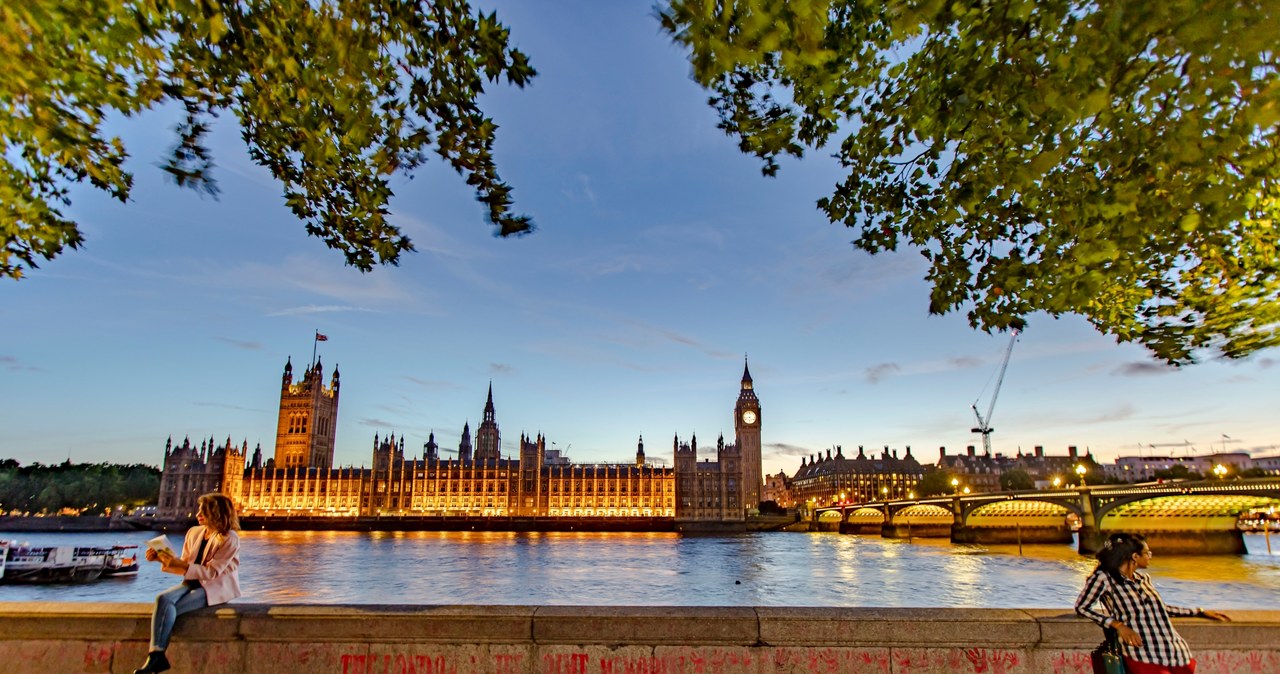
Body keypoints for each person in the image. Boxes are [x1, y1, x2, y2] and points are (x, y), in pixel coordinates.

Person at [1075, 532, 1230, 674]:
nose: (1150, 556)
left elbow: (1161, 610)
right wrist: (1118, 625)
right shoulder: (1104, 578)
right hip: (1144, 654)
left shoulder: (1144, 579)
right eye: (1147, 553)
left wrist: (1199, 611)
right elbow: (1082, 607)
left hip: (1175, 652)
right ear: (1135, 556)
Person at [135, 493, 242, 674]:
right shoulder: (194, 532)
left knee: (172, 609)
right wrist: (160, 559)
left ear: (215, 513)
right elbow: (185, 565)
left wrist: (180, 564)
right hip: (191, 583)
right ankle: (156, 655)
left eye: (203, 510)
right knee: (163, 598)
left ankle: (156, 658)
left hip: (214, 588)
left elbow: (211, 572)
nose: (197, 513)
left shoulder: (230, 538)